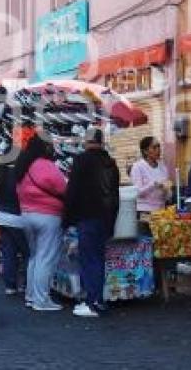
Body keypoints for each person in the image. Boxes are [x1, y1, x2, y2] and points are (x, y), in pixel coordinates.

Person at [64, 127, 120, 318]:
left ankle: (91, 302)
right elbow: (115, 196)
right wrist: (112, 221)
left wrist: (66, 219)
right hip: (105, 217)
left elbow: (72, 192)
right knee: (98, 258)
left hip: (87, 217)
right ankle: (98, 300)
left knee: (89, 259)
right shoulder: (111, 163)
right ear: (101, 141)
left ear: (87, 142)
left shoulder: (81, 161)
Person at [15, 135, 67, 312]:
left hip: (26, 215)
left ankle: (31, 296)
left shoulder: (24, 166)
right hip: (48, 216)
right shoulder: (46, 165)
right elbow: (63, 187)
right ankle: (41, 300)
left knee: (35, 257)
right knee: (45, 258)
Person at [0, 160, 29, 297]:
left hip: (1, 216)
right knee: (28, 253)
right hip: (17, 217)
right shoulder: (20, 175)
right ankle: (27, 284)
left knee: (9, 252)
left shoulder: (1, 173)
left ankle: (10, 286)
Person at [130, 136, 170, 215]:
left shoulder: (163, 167)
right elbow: (137, 192)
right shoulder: (138, 167)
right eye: (154, 147)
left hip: (161, 210)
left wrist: (167, 190)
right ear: (145, 151)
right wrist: (153, 185)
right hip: (144, 210)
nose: (158, 150)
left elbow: (167, 194)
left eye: (159, 146)